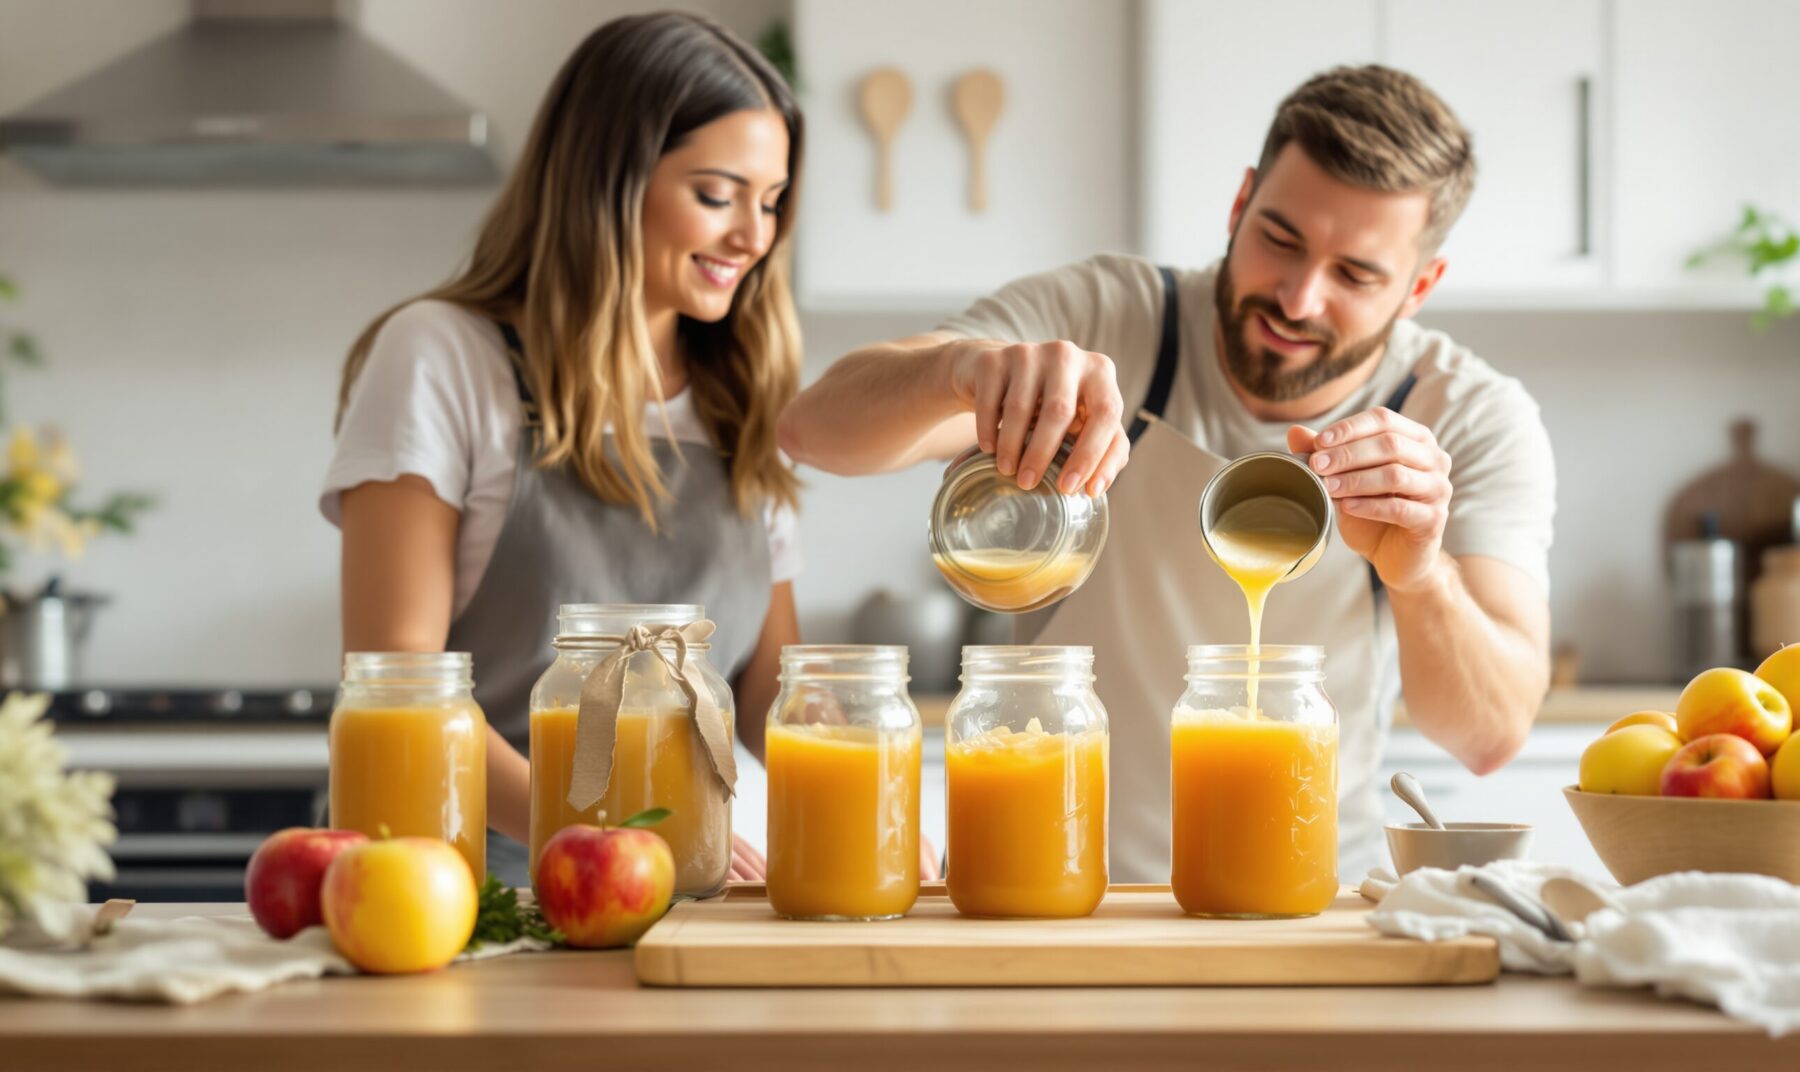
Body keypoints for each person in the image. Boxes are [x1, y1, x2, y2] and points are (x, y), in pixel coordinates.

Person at [779, 65, 1556, 880]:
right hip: (1053, 885)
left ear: (1420, 286)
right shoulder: (1109, 317)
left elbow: (1489, 735)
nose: (1298, 298)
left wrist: (1421, 575)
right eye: (1279, 239)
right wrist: (960, 371)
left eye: (1355, 275)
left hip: (1304, 895)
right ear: (1240, 204)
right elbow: (810, 431)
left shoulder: (1467, 416)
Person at [322, 12, 805, 887]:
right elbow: (399, 691)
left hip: (675, 882)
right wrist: (605, 837)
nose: (754, 236)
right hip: (456, 889)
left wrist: (862, 801)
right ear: (608, 180)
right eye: (717, 194)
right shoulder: (443, 355)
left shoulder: (743, 402)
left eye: (770, 202)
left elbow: (767, 697)